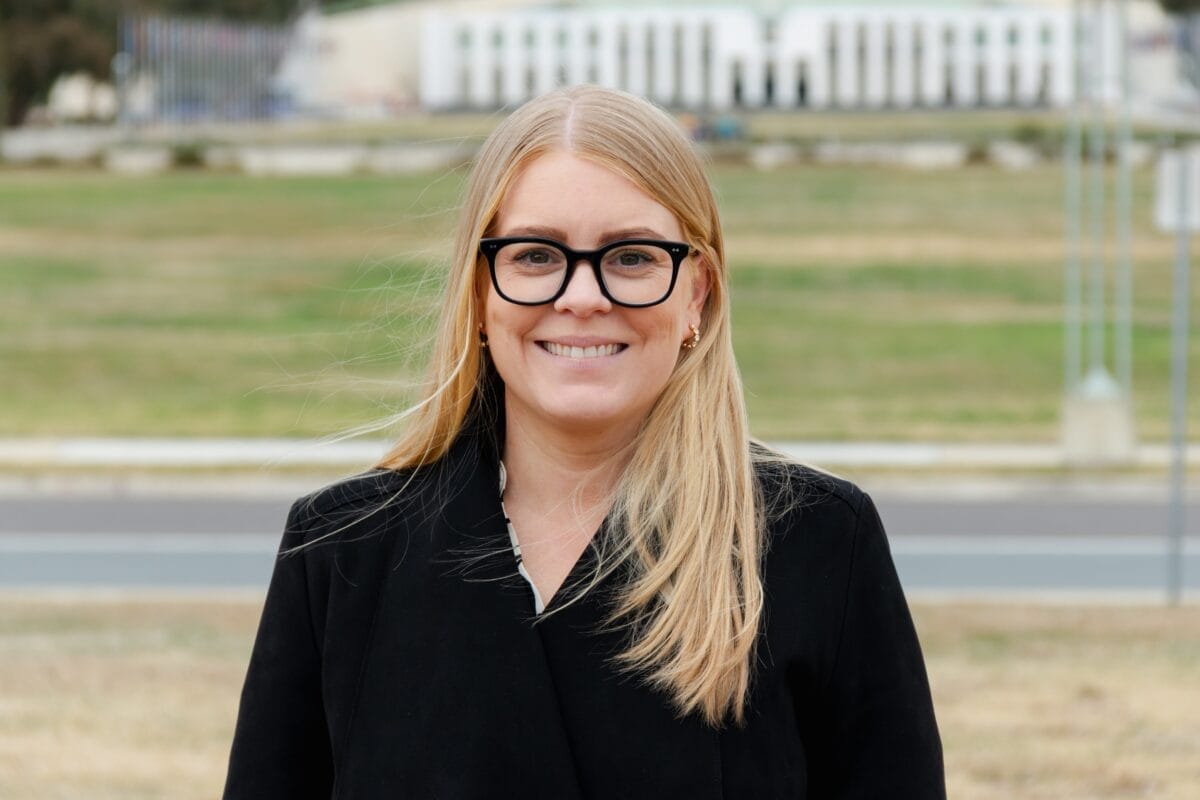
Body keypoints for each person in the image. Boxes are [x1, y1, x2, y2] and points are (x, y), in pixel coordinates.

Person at [223, 85, 945, 799]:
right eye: (536, 256)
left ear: (696, 292)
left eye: (632, 257)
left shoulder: (816, 543)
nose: (582, 297)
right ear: (479, 290)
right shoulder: (343, 552)